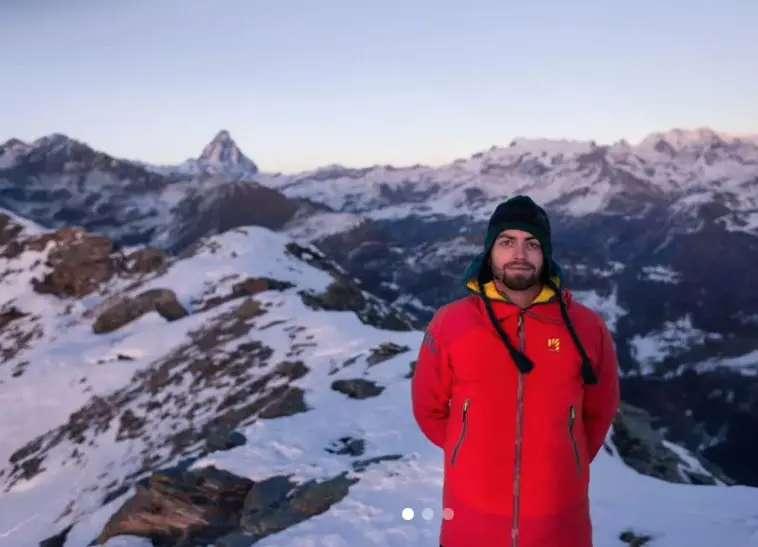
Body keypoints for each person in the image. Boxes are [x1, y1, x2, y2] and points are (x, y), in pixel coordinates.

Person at [411, 195, 620, 547]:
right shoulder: (451, 322)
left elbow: (599, 410)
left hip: (559, 523)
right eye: (507, 242)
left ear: (546, 254)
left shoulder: (585, 327)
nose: (519, 254)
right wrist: (468, 447)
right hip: (469, 519)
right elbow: (428, 408)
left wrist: (568, 454)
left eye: (532, 243)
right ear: (489, 252)